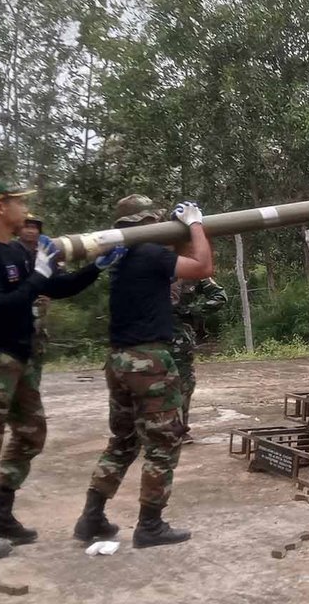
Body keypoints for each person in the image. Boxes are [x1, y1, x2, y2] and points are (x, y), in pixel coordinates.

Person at [0, 180, 113, 559]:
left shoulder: (15, 253)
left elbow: (54, 287)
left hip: (17, 359)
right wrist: (38, 276)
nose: (26, 211)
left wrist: (95, 269)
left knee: (30, 434)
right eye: (19, 203)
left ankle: (0, 515)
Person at [74, 195, 213, 549]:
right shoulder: (148, 254)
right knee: (164, 441)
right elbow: (202, 267)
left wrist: (181, 232)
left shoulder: (122, 257)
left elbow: (177, 257)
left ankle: (91, 516)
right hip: (148, 361)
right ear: (145, 222)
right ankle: (150, 525)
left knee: (123, 441)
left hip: (118, 360)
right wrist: (196, 224)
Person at [169, 267, 227, 443]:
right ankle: (149, 430)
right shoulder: (146, 267)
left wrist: (193, 310)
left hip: (179, 340)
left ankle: (178, 430)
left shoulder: (192, 271)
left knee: (184, 384)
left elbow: (219, 296)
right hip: (149, 337)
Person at [18, 213, 52, 362]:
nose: (31, 231)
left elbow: (56, 278)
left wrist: (49, 295)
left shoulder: (45, 253)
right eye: (26, 227)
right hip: (16, 309)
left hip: (39, 311)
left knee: (37, 350)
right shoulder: (10, 250)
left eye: (34, 227)